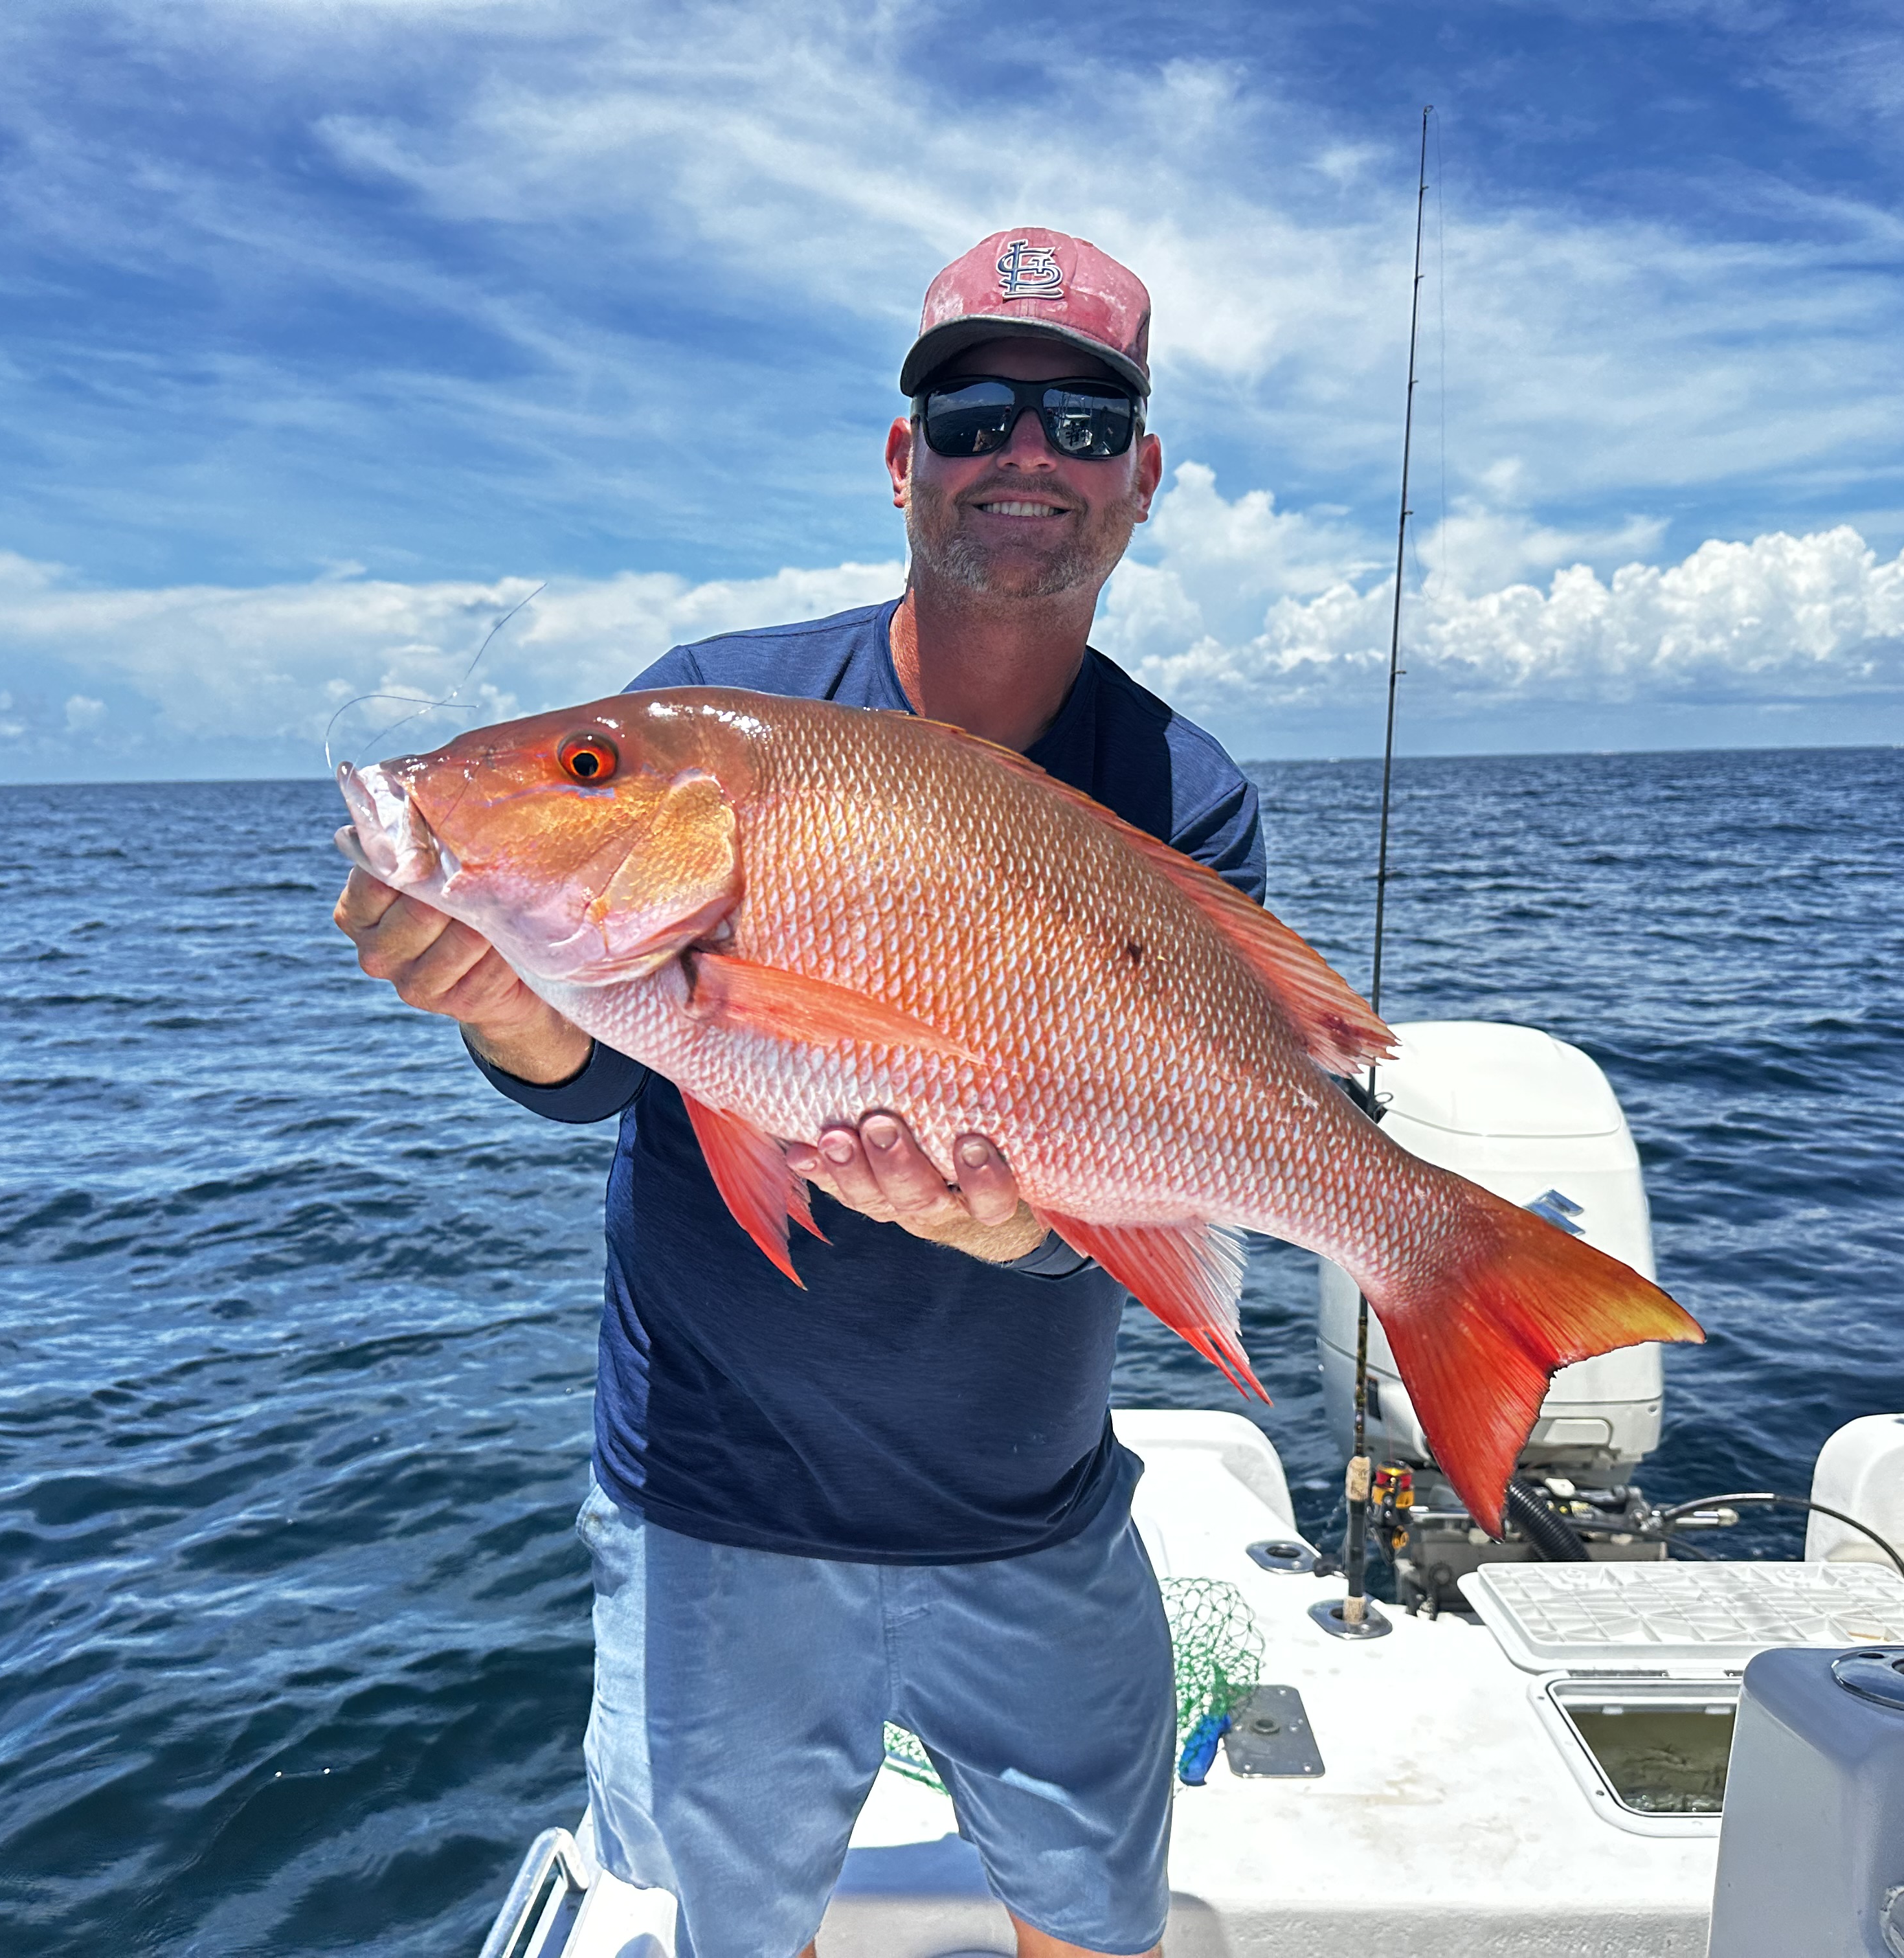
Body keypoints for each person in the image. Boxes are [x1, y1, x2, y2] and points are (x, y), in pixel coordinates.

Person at [333, 229, 1264, 1958]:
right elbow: (597, 1065)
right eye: (975, 412)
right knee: (737, 1932)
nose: (1023, 458)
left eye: (1080, 423)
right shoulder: (731, 700)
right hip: (719, 1503)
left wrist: (1019, 1232)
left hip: (1029, 1502)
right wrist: (499, 999)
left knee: (1093, 1920)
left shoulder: (1180, 792)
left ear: (1140, 480)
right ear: (906, 457)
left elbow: (1148, 1164)